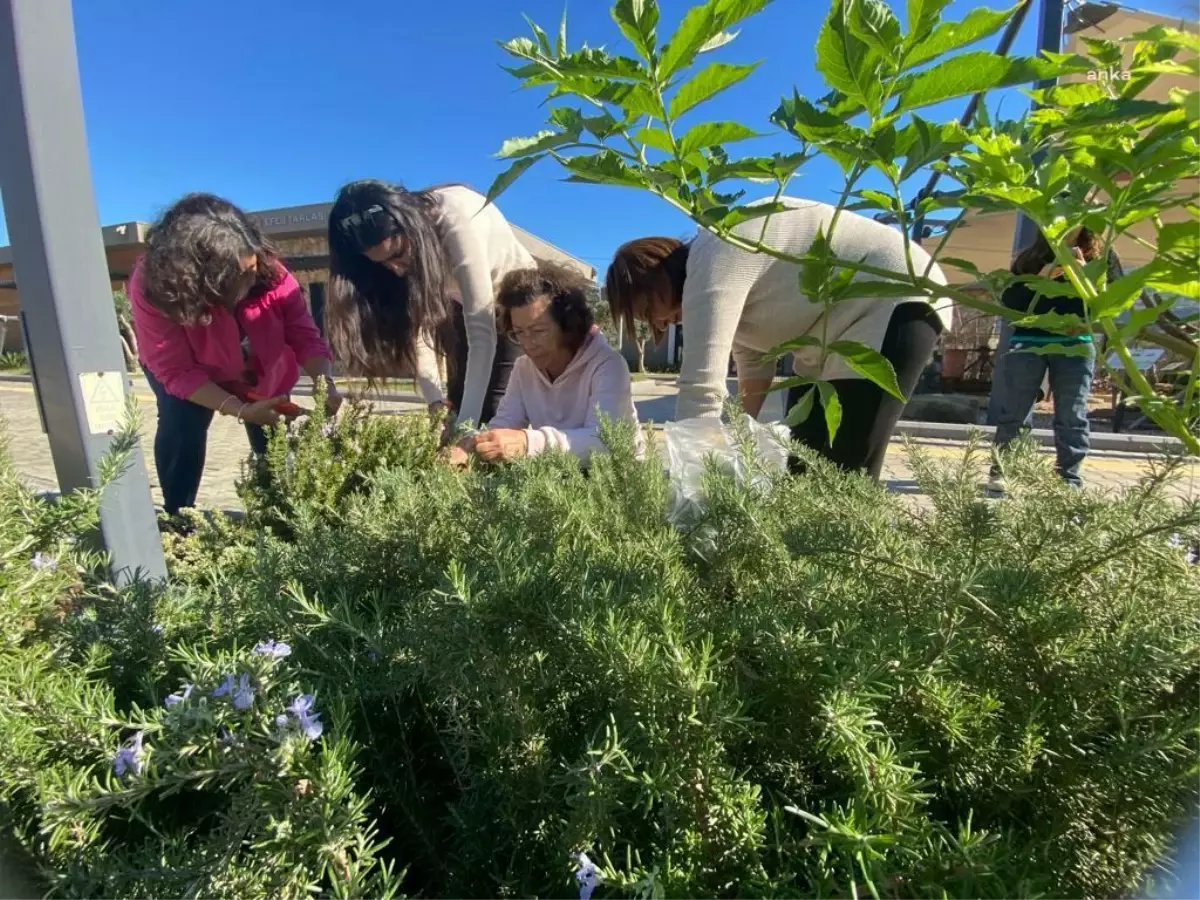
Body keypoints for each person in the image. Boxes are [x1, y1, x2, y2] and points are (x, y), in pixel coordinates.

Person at [605, 198, 953, 480]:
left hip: (893, 294)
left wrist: (692, 481)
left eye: (652, 308)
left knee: (845, 472)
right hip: (828, 337)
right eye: (647, 320)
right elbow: (755, 369)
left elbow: (700, 387)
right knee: (802, 468)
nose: (662, 321)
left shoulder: (712, 260)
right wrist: (740, 441)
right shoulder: (724, 290)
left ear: (660, 277)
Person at [132, 193, 340, 516]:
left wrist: (323, 379)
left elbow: (303, 332)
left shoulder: (268, 269)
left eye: (253, 265)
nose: (253, 276)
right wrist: (240, 409)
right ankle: (179, 517)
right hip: (190, 372)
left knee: (271, 434)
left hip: (258, 367)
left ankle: (283, 516)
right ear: (205, 278)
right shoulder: (155, 286)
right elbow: (175, 370)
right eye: (240, 275)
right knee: (183, 424)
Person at [325, 180, 534, 429]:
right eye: (381, 263)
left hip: (516, 298)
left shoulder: (456, 221)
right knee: (456, 404)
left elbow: (482, 333)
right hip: (460, 302)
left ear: (412, 229)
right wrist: (435, 401)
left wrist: (464, 432)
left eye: (397, 254)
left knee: (495, 412)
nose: (395, 269)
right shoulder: (401, 259)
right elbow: (419, 333)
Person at [448, 262, 639, 466]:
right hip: (559, 477)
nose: (528, 344)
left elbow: (604, 442)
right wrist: (472, 444)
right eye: (519, 332)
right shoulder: (523, 368)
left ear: (569, 325)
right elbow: (505, 422)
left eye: (538, 331)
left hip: (620, 479)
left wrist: (528, 443)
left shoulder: (608, 365)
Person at [990, 227, 1120, 489]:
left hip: (1076, 343)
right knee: (1015, 411)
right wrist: (1041, 277)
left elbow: (1112, 303)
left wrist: (1086, 278)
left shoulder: (1103, 258)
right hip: (1029, 341)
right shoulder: (1030, 258)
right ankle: (1004, 471)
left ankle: (1068, 478)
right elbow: (1011, 300)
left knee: (1072, 414)